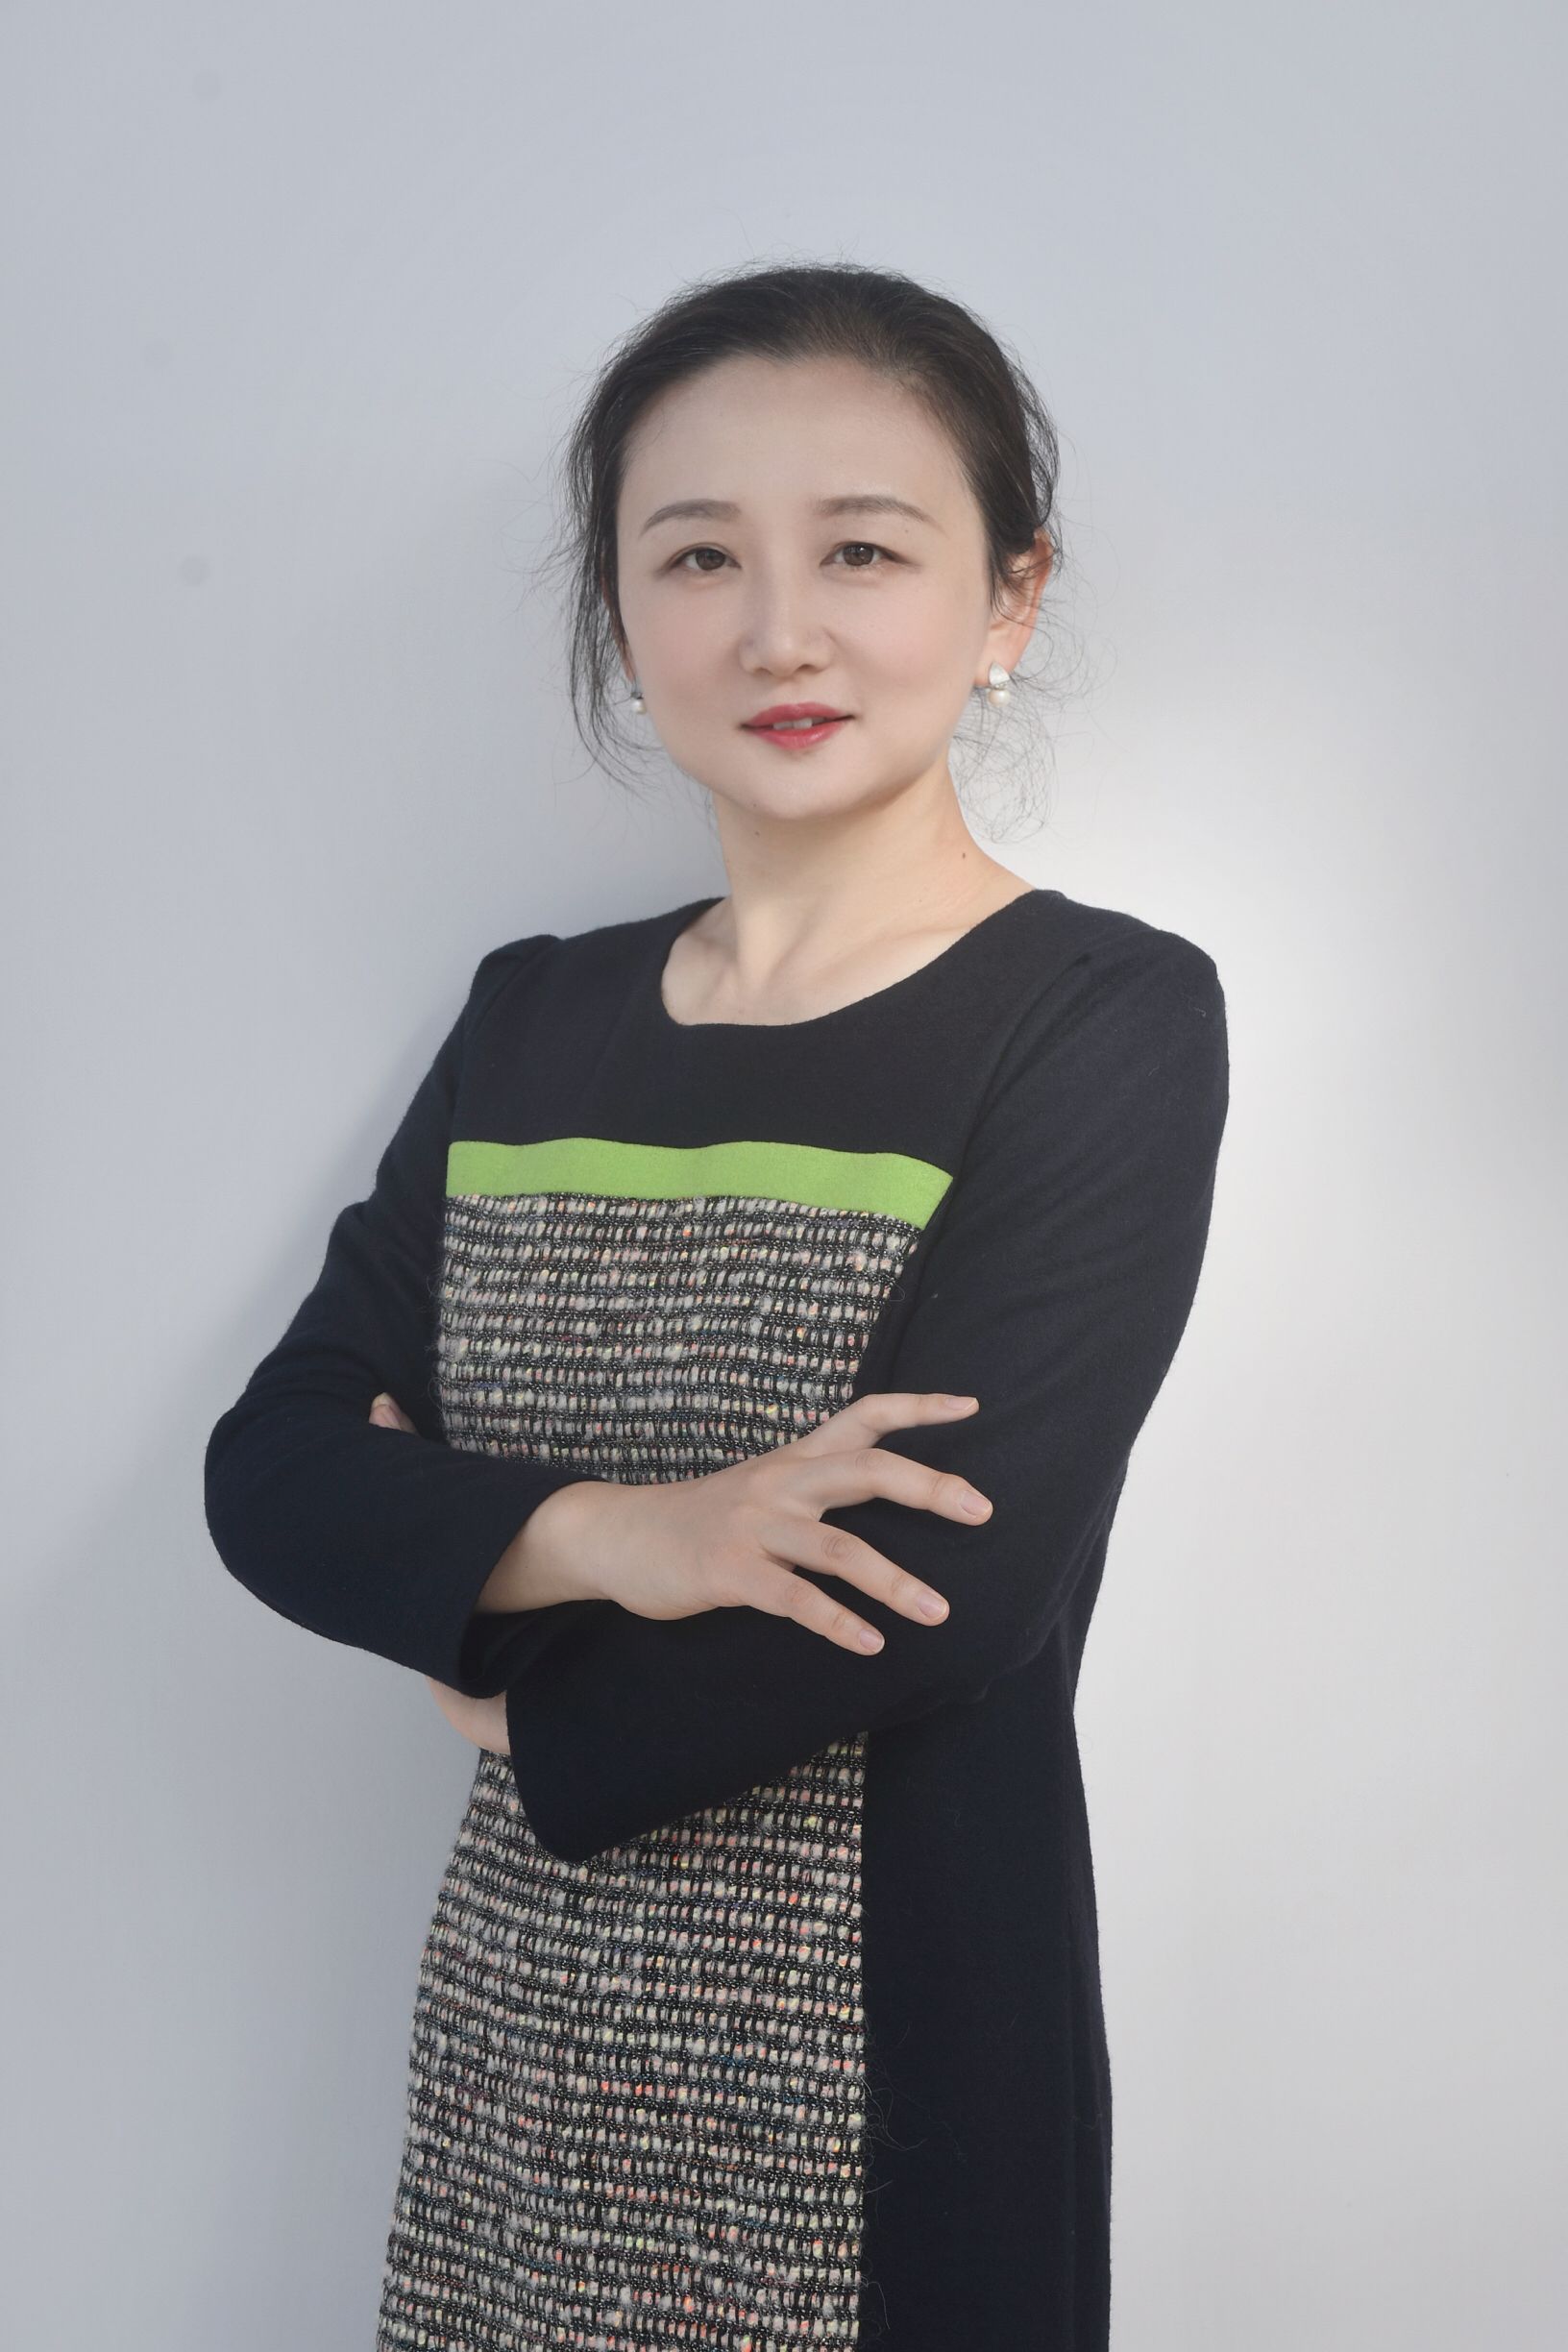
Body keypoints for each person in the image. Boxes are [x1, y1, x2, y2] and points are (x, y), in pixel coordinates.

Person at [204, 258, 1230, 2351]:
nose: (778, 631)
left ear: (1010, 598)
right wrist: (622, 1535)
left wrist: (518, 1691)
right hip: (525, 2035)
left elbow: (946, 1582)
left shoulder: (1098, 1016)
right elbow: (279, 1472)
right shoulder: (532, 1018)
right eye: (697, 557)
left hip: (887, 2061)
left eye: (863, 549)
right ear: (621, 613)